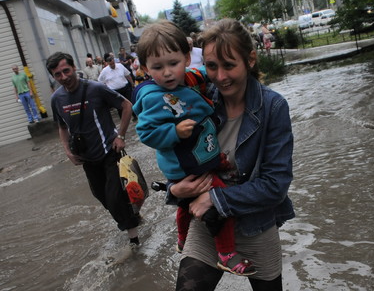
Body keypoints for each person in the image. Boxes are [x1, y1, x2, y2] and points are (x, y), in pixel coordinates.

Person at [168, 19, 295, 290]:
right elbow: (176, 159)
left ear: (250, 60)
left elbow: (276, 186)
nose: (220, 77)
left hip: (255, 225)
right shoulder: (198, 99)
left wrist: (214, 198)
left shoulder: (274, 107)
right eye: (212, 66)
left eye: (229, 65)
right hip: (207, 226)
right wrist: (174, 189)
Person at [132, 20, 255, 276]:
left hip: (195, 160)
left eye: (173, 64)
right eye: (157, 67)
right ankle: (226, 253)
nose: (167, 73)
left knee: (183, 206)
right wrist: (172, 132)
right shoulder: (155, 97)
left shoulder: (189, 81)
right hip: (187, 165)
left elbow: (203, 74)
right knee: (221, 203)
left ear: (187, 58)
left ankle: (181, 238)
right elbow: (144, 132)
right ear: (145, 68)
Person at [47, 52, 141, 248]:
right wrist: (67, 151)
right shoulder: (57, 99)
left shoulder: (96, 88)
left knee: (115, 197)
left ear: (74, 68)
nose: (64, 77)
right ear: (53, 76)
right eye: (58, 74)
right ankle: (132, 214)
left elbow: (126, 105)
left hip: (109, 151)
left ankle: (134, 241)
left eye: (66, 71)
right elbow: (62, 127)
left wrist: (121, 136)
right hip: (86, 157)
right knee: (103, 196)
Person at [98, 53, 135, 118]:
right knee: (120, 107)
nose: (112, 65)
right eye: (111, 64)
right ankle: (123, 119)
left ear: (114, 61)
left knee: (130, 102)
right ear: (107, 63)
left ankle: (135, 115)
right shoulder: (104, 71)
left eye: (113, 63)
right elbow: (100, 82)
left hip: (125, 88)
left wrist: (132, 83)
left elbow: (127, 75)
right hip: (115, 91)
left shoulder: (120, 66)